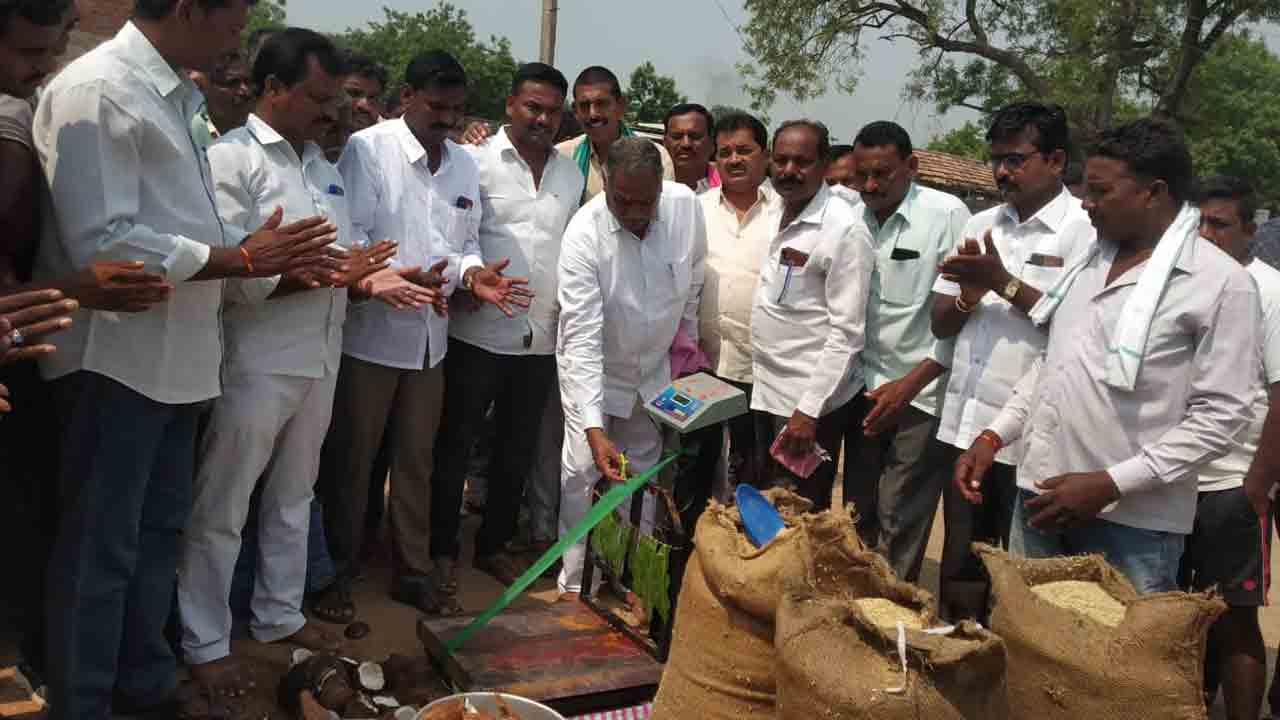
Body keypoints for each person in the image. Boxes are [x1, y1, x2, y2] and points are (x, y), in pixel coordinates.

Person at [33, 0, 342, 715]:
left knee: (155, 539)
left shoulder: (175, 95)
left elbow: (186, 223)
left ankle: (143, 686)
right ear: (186, 7)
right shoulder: (99, 89)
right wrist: (236, 257)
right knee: (101, 553)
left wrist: (251, 256)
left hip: (180, 362)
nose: (242, 30)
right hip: (116, 363)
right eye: (234, 13)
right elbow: (107, 247)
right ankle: (82, 702)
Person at [177, 28, 412, 696]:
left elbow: (333, 261)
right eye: (318, 96)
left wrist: (360, 274)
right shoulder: (234, 162)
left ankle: (278, 614)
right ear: (273, 90)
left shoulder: (321, 166)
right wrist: (315, 275)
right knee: (222, 504)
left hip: (320, 352)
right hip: (256, 358)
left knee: (292, 497)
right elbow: (227, 274)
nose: (331, 111)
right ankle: (204, 638)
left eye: (334, 97)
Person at [955, 118, 1259, 595]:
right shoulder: (1088, 262)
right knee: (1032, 653)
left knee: (1115, 664)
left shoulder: (1219, 284)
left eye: (1099, 191)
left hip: (1133, 526)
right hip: (1041, 501)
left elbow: (1221, 417)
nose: (1085, 202)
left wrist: (1110, 484)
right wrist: (995, 435)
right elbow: (1053, 365)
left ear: (1153, 193)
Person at [319, 49, 529, 617]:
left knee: (417, 461)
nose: (448, 120)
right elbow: (351, 235)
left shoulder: (462, 162)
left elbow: (463, 243)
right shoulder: (369, 151)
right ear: (407, 98)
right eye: (438, 107)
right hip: (371, 337)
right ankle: (336, 571)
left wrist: (474, 274)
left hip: (431, 340)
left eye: (458, 109)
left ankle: (410, 570)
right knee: (353, 461)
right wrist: (388, 280)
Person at [930, 102, 1096, 621]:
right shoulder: (982, 224)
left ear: (1057, 161)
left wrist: (1002, 281)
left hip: (1037, 434)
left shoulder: (1084, 232)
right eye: (996, 159)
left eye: (1017, 159)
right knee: (962, 561)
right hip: (967, 425)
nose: (1003, 172)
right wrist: (968, 295)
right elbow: (939, 322)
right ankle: (960, 669)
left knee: (1029, 574)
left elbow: (1080, 332)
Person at [431, 62, 583, 587]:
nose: (542, 119)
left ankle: (493, 545)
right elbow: (457, 237)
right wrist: (470, 280)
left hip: (541, 337)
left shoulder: (570, 173)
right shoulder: (473, 162)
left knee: (516, 450)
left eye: (552, 111)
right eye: (532, 107)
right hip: (477, 332)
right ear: (509, 107)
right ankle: (441, 549)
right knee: (456, 444)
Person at [556, 136, 705, 600]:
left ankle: (623, 577)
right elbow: (582, 338)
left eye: (647, 201)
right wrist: (594, 427)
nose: (637, 212)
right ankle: (578, 584)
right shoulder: (585, 232)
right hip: (596, 371)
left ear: (661, 188)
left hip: (653, 373)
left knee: (640, 476)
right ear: (607, 187)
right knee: (584, 474)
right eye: (624, 201)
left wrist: (687, 354)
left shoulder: (684, 208)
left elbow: (694, 278)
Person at [843, 121, 969, 583]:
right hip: (863, 387)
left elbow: (961, 316)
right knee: (857, 515)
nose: (871, 186)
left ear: (911, 167)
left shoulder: (947, 215)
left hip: (920, 394)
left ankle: (890, 618)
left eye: (883, 174)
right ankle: (854, 613)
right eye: (862, 175)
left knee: (900, 517)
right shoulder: (849, 214)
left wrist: (909, 384)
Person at [1183, 176, 1278, 720]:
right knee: (1183, 611)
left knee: (1235, 616)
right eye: (1200, 223)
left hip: (1232, 482)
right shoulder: (1191, 282)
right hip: (1177, 479)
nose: (1207, 234)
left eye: (1220, 224)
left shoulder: (1268, 291)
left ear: (1250, 230)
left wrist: (1257, 484)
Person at [750, 120, 875, 506]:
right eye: (782, 160)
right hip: (765, 390)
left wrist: (808, 411)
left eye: (802, 162)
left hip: (806, 405)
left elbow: (846, 333)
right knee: (761, 507)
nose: (789, 171)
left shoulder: (844, 229)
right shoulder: (771, 209)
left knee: (799, 516)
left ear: (824, 164)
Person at [697, 110, 777, 491]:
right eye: (724, 152)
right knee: (695, 467)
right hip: (703, 364)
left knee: (754, 471)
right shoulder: (697, 209)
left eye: (744, 150)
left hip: (760, 370)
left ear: (766, 155)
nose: (733, 160)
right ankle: (690, 548)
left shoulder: (786, 213)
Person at [554, 66, 673, 201]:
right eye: (585, 105)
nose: (593, 114)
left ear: (621, 105)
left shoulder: (656, 157)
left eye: (601, 104)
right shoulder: (563, 157)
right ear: (575, 111)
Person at [189, 49, 251, 148]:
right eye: (232, 83)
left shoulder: (252, 132)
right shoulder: (194, 131)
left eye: (248, 82)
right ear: (207, 87)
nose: (245, 91)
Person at [664, 102, 718, 193]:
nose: (686, 144)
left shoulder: (731, 189)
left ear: (712, 144)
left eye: (695, 136)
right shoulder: (647, 188)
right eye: (677, 136)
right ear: (665, 143)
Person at [342, 49, 387, 131]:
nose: (364, 106)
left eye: (372, 98)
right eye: (354, 94)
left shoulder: (392, 139)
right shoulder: (313, 137)